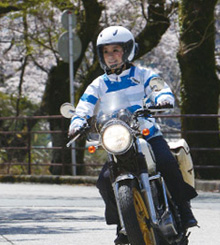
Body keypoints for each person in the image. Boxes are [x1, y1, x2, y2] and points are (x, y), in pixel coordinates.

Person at [69, 26, 198, 244]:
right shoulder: (98, 84)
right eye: (106, 52)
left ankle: (184, 210)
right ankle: (123, 224)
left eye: (116, 50)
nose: (111, 56)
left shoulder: (144, 75)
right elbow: (84, 106)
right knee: (104, 180)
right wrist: (77, 122)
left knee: (167, 162)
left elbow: (160, 89)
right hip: (117, 138)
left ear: (127, 51)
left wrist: (163, 98)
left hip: (146, 133)